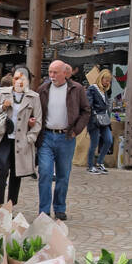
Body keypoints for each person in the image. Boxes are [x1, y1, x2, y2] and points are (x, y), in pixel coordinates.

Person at [36, 60, 89, 221]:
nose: (51, 76)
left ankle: (59, 207)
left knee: (63, 175)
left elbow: (86, 111)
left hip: (66, 137)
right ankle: (44, 210)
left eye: (55, 72)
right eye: (50, 72)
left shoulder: (76, 89)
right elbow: (36, 110)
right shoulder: (43, 89)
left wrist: (76, 131)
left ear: (65, 73)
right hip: (46, 136)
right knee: (44, 172)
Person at [0, 69, 40, 209]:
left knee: (16, 174)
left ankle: (10, 206)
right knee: (0, 172)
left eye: (22, 78)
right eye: (16, 78)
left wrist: (30, 138)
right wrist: (3, 106)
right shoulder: (2, 92)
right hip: (3, 139)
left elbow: (38, 121)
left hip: (21, 141)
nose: (18, 81)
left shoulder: (34, 97)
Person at [85, 72, 113, 174]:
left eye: (109, 80)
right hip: (94, 119)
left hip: (103, 119)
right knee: (94, 143)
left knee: (109, 140)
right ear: (101, 78)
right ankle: (90, 165)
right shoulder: (93, 89)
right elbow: (88, 104)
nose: (107, 82)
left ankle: (100, 162)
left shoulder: (104, 90)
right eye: (106, 80)